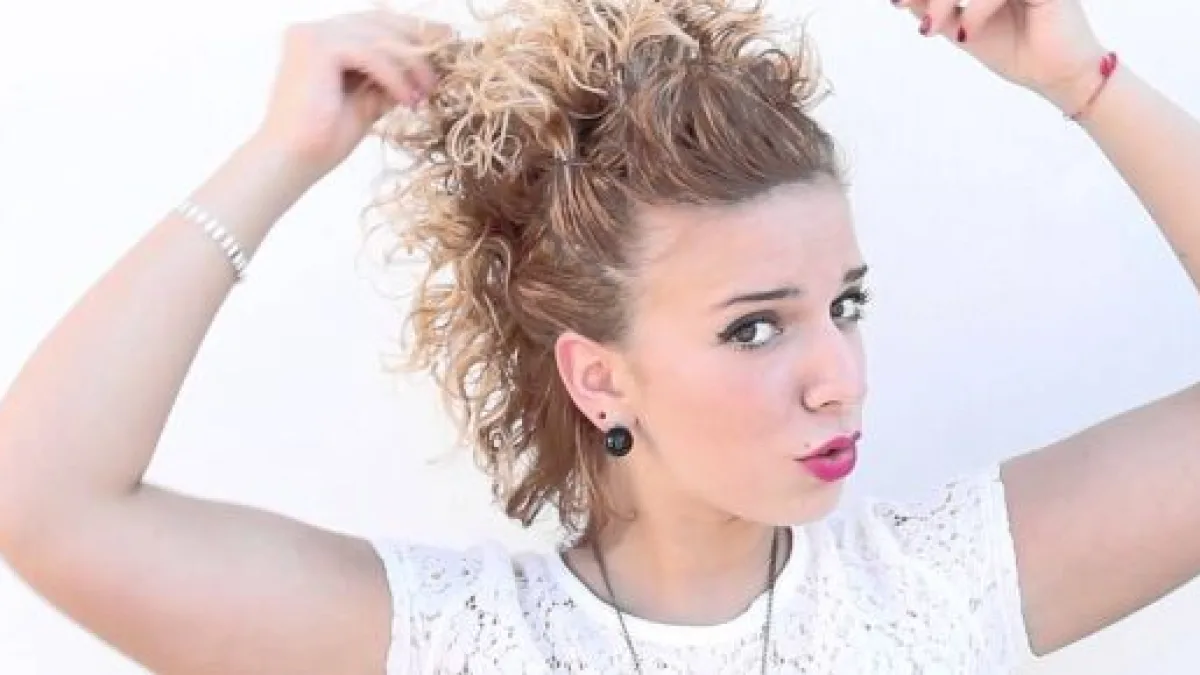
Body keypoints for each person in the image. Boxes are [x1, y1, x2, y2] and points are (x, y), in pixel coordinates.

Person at [1, 0, 1198, 672]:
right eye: (754, 328)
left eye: (845, 305)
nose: (840, 379)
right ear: (598, 377)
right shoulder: (452, 646)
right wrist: (280, 156)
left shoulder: (938, 590)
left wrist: (1085, 81)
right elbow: (47, 508)